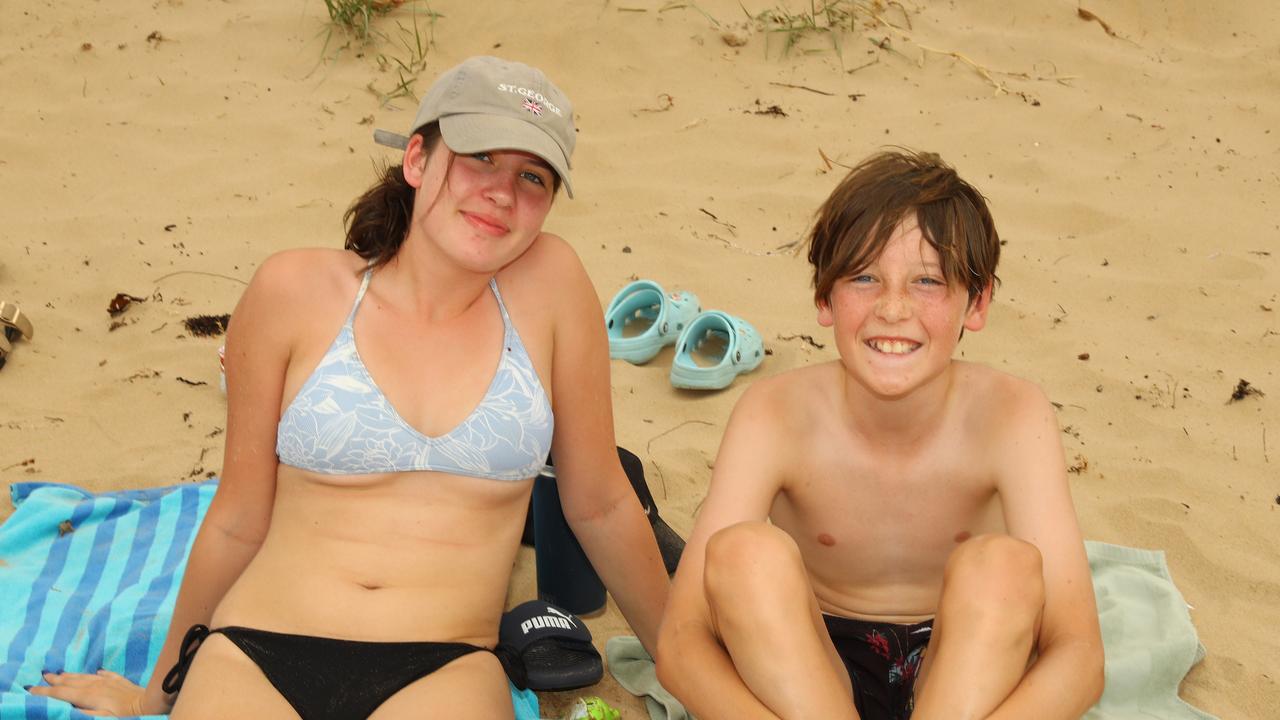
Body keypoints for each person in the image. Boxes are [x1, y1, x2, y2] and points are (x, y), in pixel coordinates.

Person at [31, 55, 668, 718]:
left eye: (531, 176)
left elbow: (600, 507)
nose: (502, 193)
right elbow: (237, 517)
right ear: (417, 161)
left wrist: (682, 662)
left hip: (442, 661)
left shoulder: (553, 292)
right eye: (479, 158)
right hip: (260, 647)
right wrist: (152, 697)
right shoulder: (294, 291)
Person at [655, 150, 1104, 720]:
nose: (893, 309)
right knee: (743, 554)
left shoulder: (1013, 414)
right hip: (810, 674)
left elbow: (1079, 653)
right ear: (824, 296)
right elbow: (682, 640)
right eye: (864, 278)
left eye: (927, 281)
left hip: (965, 672)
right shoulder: (774, 412)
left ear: (978, 302)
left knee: (1003, 566)